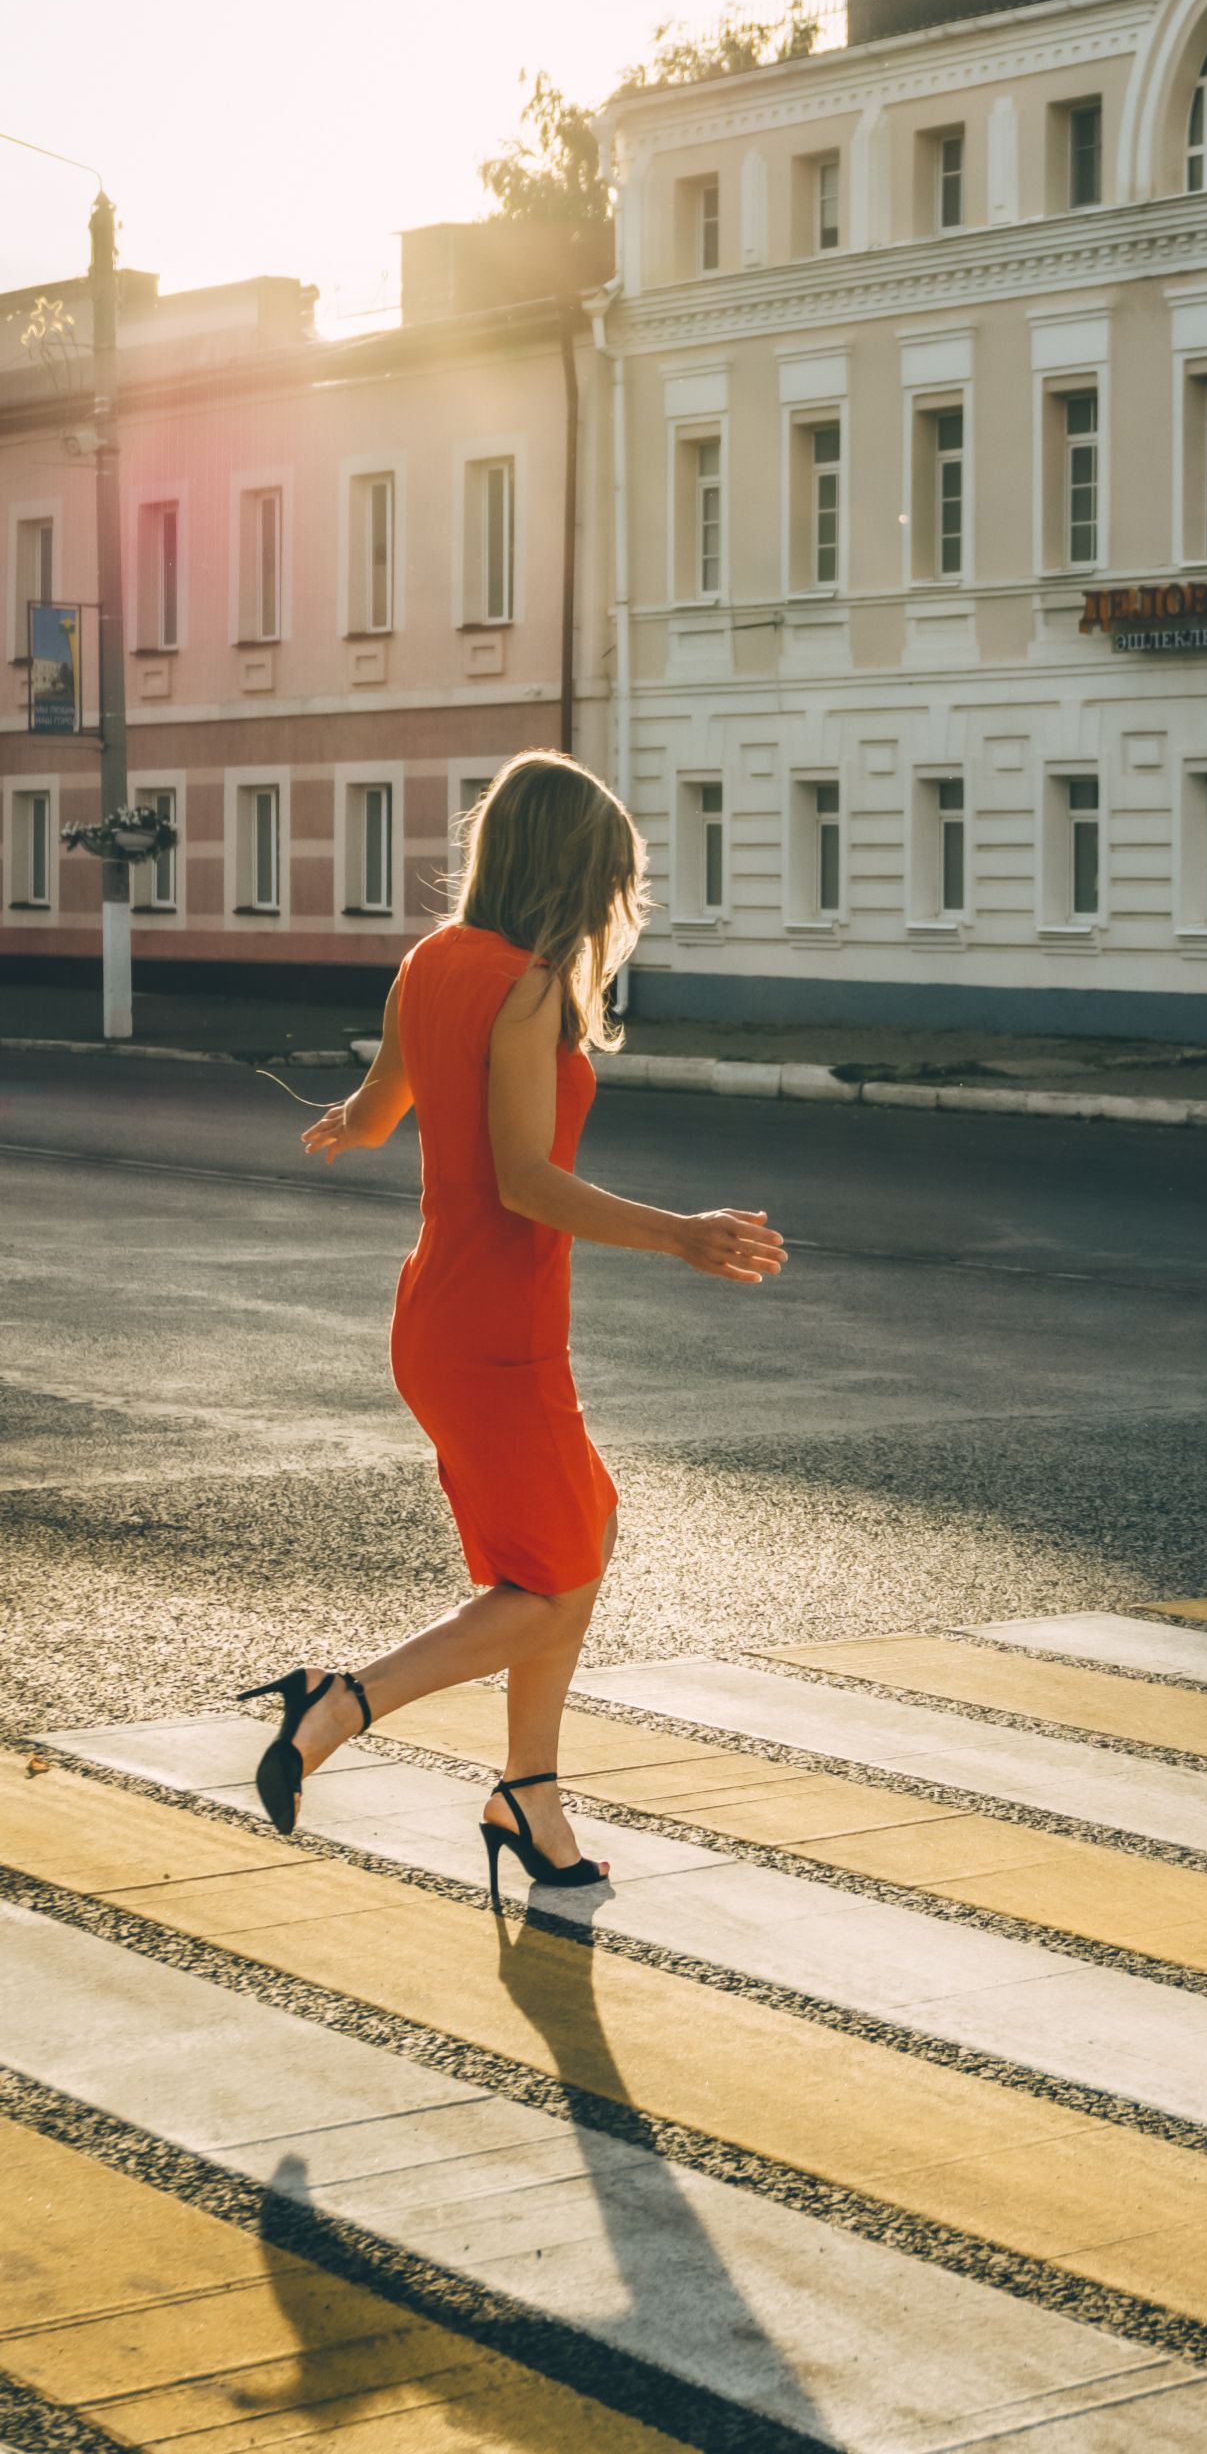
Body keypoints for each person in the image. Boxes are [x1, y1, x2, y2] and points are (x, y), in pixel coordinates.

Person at [236, 749, 785, 1902]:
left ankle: (529, 1796)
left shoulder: (431, 961)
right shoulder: (529, 985)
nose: (612, 905)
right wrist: (682, 1232)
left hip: (440, 1312)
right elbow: (528, 1183)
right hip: (498, 1329)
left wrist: (340, 1121)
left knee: (578, 1530)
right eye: (610, 879)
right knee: (548, 1577)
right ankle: (340, 1704)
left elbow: (380, 1112)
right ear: (572, 872)